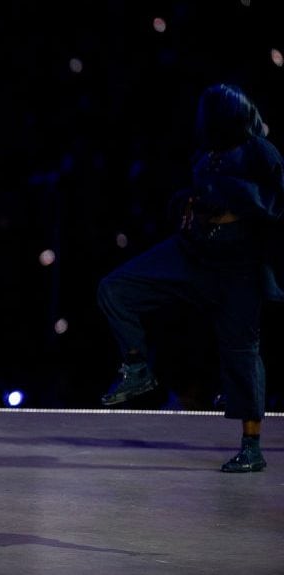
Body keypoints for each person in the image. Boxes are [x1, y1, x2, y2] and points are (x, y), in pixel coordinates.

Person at [97, 83, 283, 473]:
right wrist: (187, 204)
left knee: (242, 353)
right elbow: (195, 195)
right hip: (194, 253)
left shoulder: (260, 153)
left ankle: (252, 446)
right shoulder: (207, 154)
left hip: (237, 267)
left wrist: (229, 205)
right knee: (118, 288)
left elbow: (272, 204)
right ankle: (136, 366)